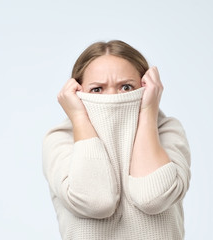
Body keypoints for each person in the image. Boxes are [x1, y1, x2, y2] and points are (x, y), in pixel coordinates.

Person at [42, 40, 191, 240]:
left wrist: (148, 112)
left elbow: (153, 198)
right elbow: (96, 202)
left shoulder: (167, 131)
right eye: (97, 89)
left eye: (126, 87)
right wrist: (79, 118)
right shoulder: (60, 138)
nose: (112, 97)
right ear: (77, 92)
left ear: (147, 87)